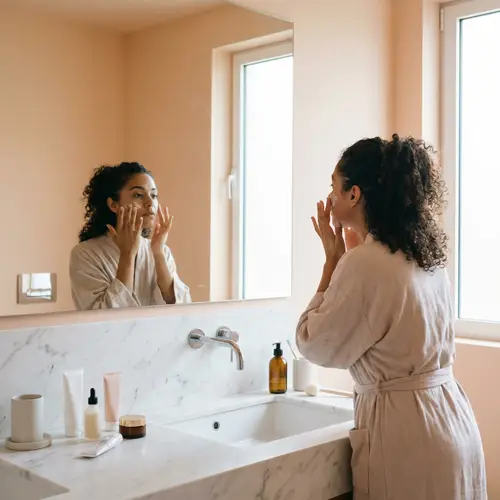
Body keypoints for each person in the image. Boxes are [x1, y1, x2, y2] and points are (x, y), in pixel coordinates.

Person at [296, 134, 487, 500]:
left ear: (354, 195)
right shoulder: (425, 257)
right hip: (454, 421)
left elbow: (313, 343)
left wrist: (332, 262)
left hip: (408, 435)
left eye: (333, 187)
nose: (330, 198)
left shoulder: (364, 263)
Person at [70, 162, 191, 310]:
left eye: (153, 195)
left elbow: (181, 309)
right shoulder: (85, 254)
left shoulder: (161, 251)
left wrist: (158, 253)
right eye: (138, 195)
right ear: (114, 205)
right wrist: (127, 255)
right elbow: (103, 317)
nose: (150, 202)